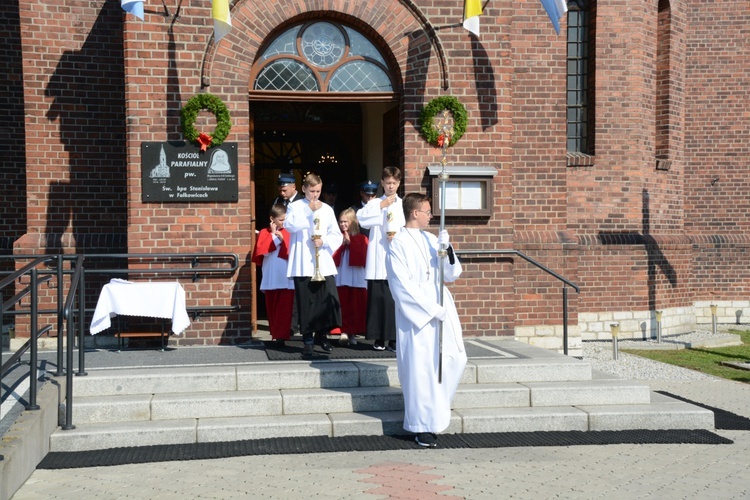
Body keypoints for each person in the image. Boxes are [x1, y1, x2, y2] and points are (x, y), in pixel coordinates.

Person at [385, 192, 466, 449]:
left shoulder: (432, 239)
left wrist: (447, 249)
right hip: (419, 313)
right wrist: (430, 309)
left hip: (442, 304)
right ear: (414, 213)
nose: (431, 215)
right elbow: (401, 286)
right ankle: (422, 426)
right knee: (421, 368)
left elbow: (451, 275)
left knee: (454, 359)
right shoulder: (397, 243)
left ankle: (438, 412)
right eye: (427, 211)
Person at [284, 172, 343, 358]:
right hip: (303, 262)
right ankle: (308, 341)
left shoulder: (327, 209)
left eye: (318, 191)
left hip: (323, 262)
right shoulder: (295, 207)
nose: (315, 195)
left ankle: (322, 336)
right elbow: (290, 226)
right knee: (307, 303)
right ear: (304, 189)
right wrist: (309, 209)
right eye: (311, 191)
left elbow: (336, 234)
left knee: (325, 301)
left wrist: (324, 241)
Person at [356, 166, 404, 351]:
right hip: (378, 254)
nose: (391, 186)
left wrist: (397, 237)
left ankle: (392, 339)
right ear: (382, 183)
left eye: (394, 183)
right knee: (378, 298)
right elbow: (362, 219)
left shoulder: (402, 204)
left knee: (393, 299)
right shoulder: (375, 202)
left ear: (398, 183)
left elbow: (407, 226)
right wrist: (380, 206)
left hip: (395, 254)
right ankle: (377, 338)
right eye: (388, 183)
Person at [251, 203, 295, 346]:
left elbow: (292, 252)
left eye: (285, 219)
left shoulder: (289, 232)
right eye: (281, 220)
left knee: (284, 309)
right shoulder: (265, 232)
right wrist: (274, 236)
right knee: (272, 308)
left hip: (286, 278)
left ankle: (282, 335)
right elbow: (263, 251)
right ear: (272, 219)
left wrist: (282, 239)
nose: (284, 222)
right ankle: (275, 334)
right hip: (271, 277)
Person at [331, 208, 368, 346]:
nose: (343, 225)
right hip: (342, 273)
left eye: (346, 222)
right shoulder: (336, 236)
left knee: (355, 304)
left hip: (356, 274)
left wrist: (351, 244)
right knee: (343, 302)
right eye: (341, 222)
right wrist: (343, 245)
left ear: (353, 222)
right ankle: (343, 331)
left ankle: (353, 332)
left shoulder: (361, 238)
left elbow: (362, 257)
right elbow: (332, 255)